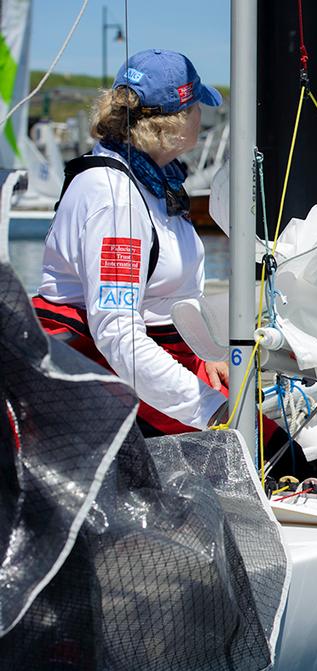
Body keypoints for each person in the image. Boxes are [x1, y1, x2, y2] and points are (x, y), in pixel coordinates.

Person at [33, 49, 231, 436]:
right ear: (173, 125)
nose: (201, 117)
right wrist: (210, 409)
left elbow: (171, 294)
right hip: (109, 378)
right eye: (195, 108)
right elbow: (117, 334)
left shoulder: (155, 181)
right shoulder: (115, 200)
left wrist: (205, 353)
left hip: (159, 363)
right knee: (282, 455)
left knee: (283, 440)